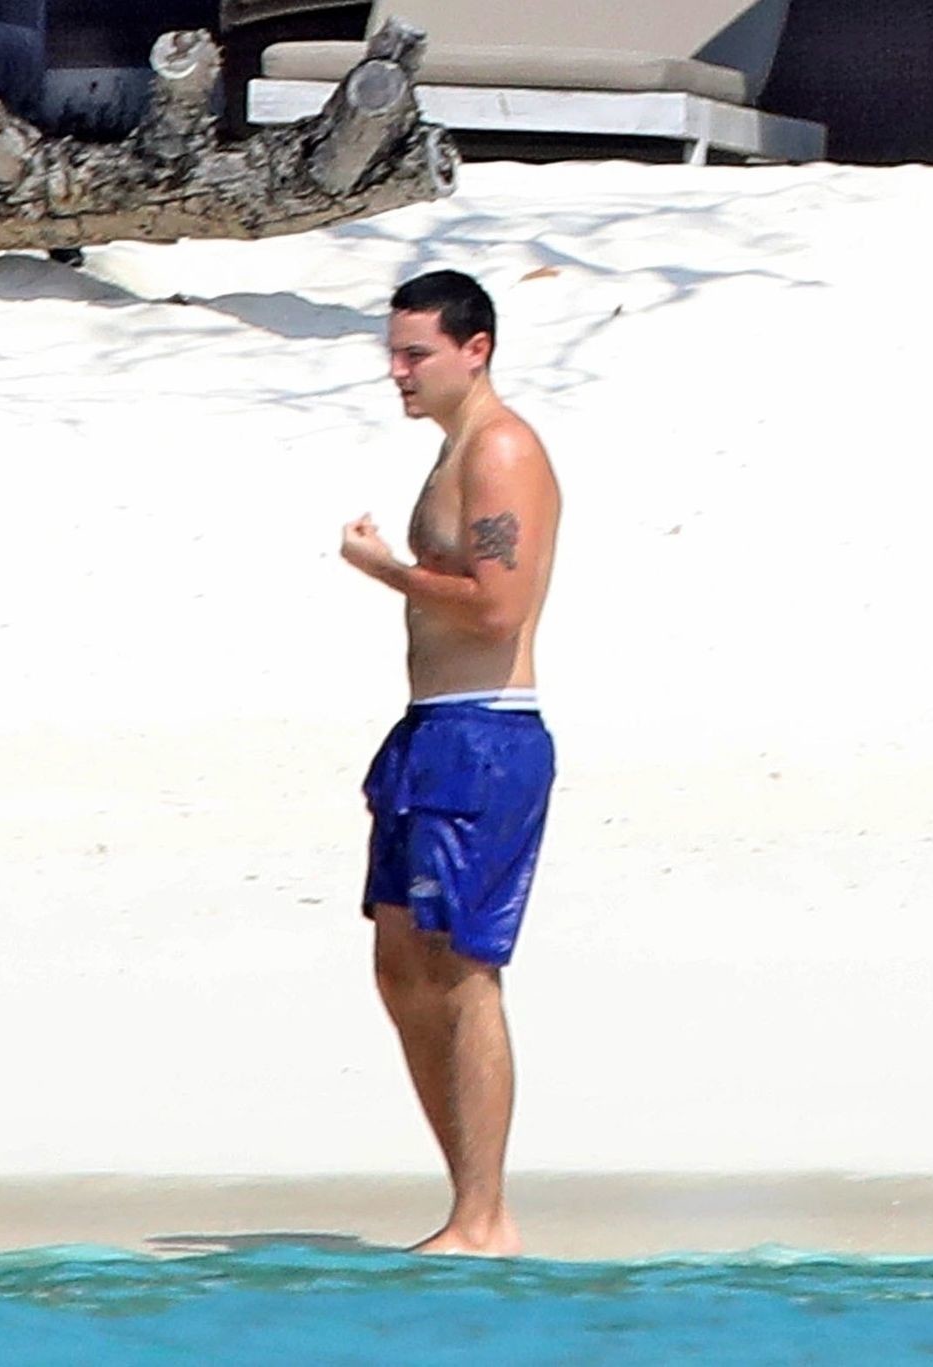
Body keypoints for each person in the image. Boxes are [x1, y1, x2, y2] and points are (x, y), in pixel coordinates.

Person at [338, 271, 561, 1256]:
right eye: (393, 353)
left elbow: (498, 608)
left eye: (415, 353)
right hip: (430, 730)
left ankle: (486, 1216)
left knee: (463, 970)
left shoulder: (501, 448)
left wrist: (385, 569)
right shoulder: (452, 451)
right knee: (400, 966)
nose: (398, 371)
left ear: (476, 350)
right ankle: (465, 1201)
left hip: (485, 733)